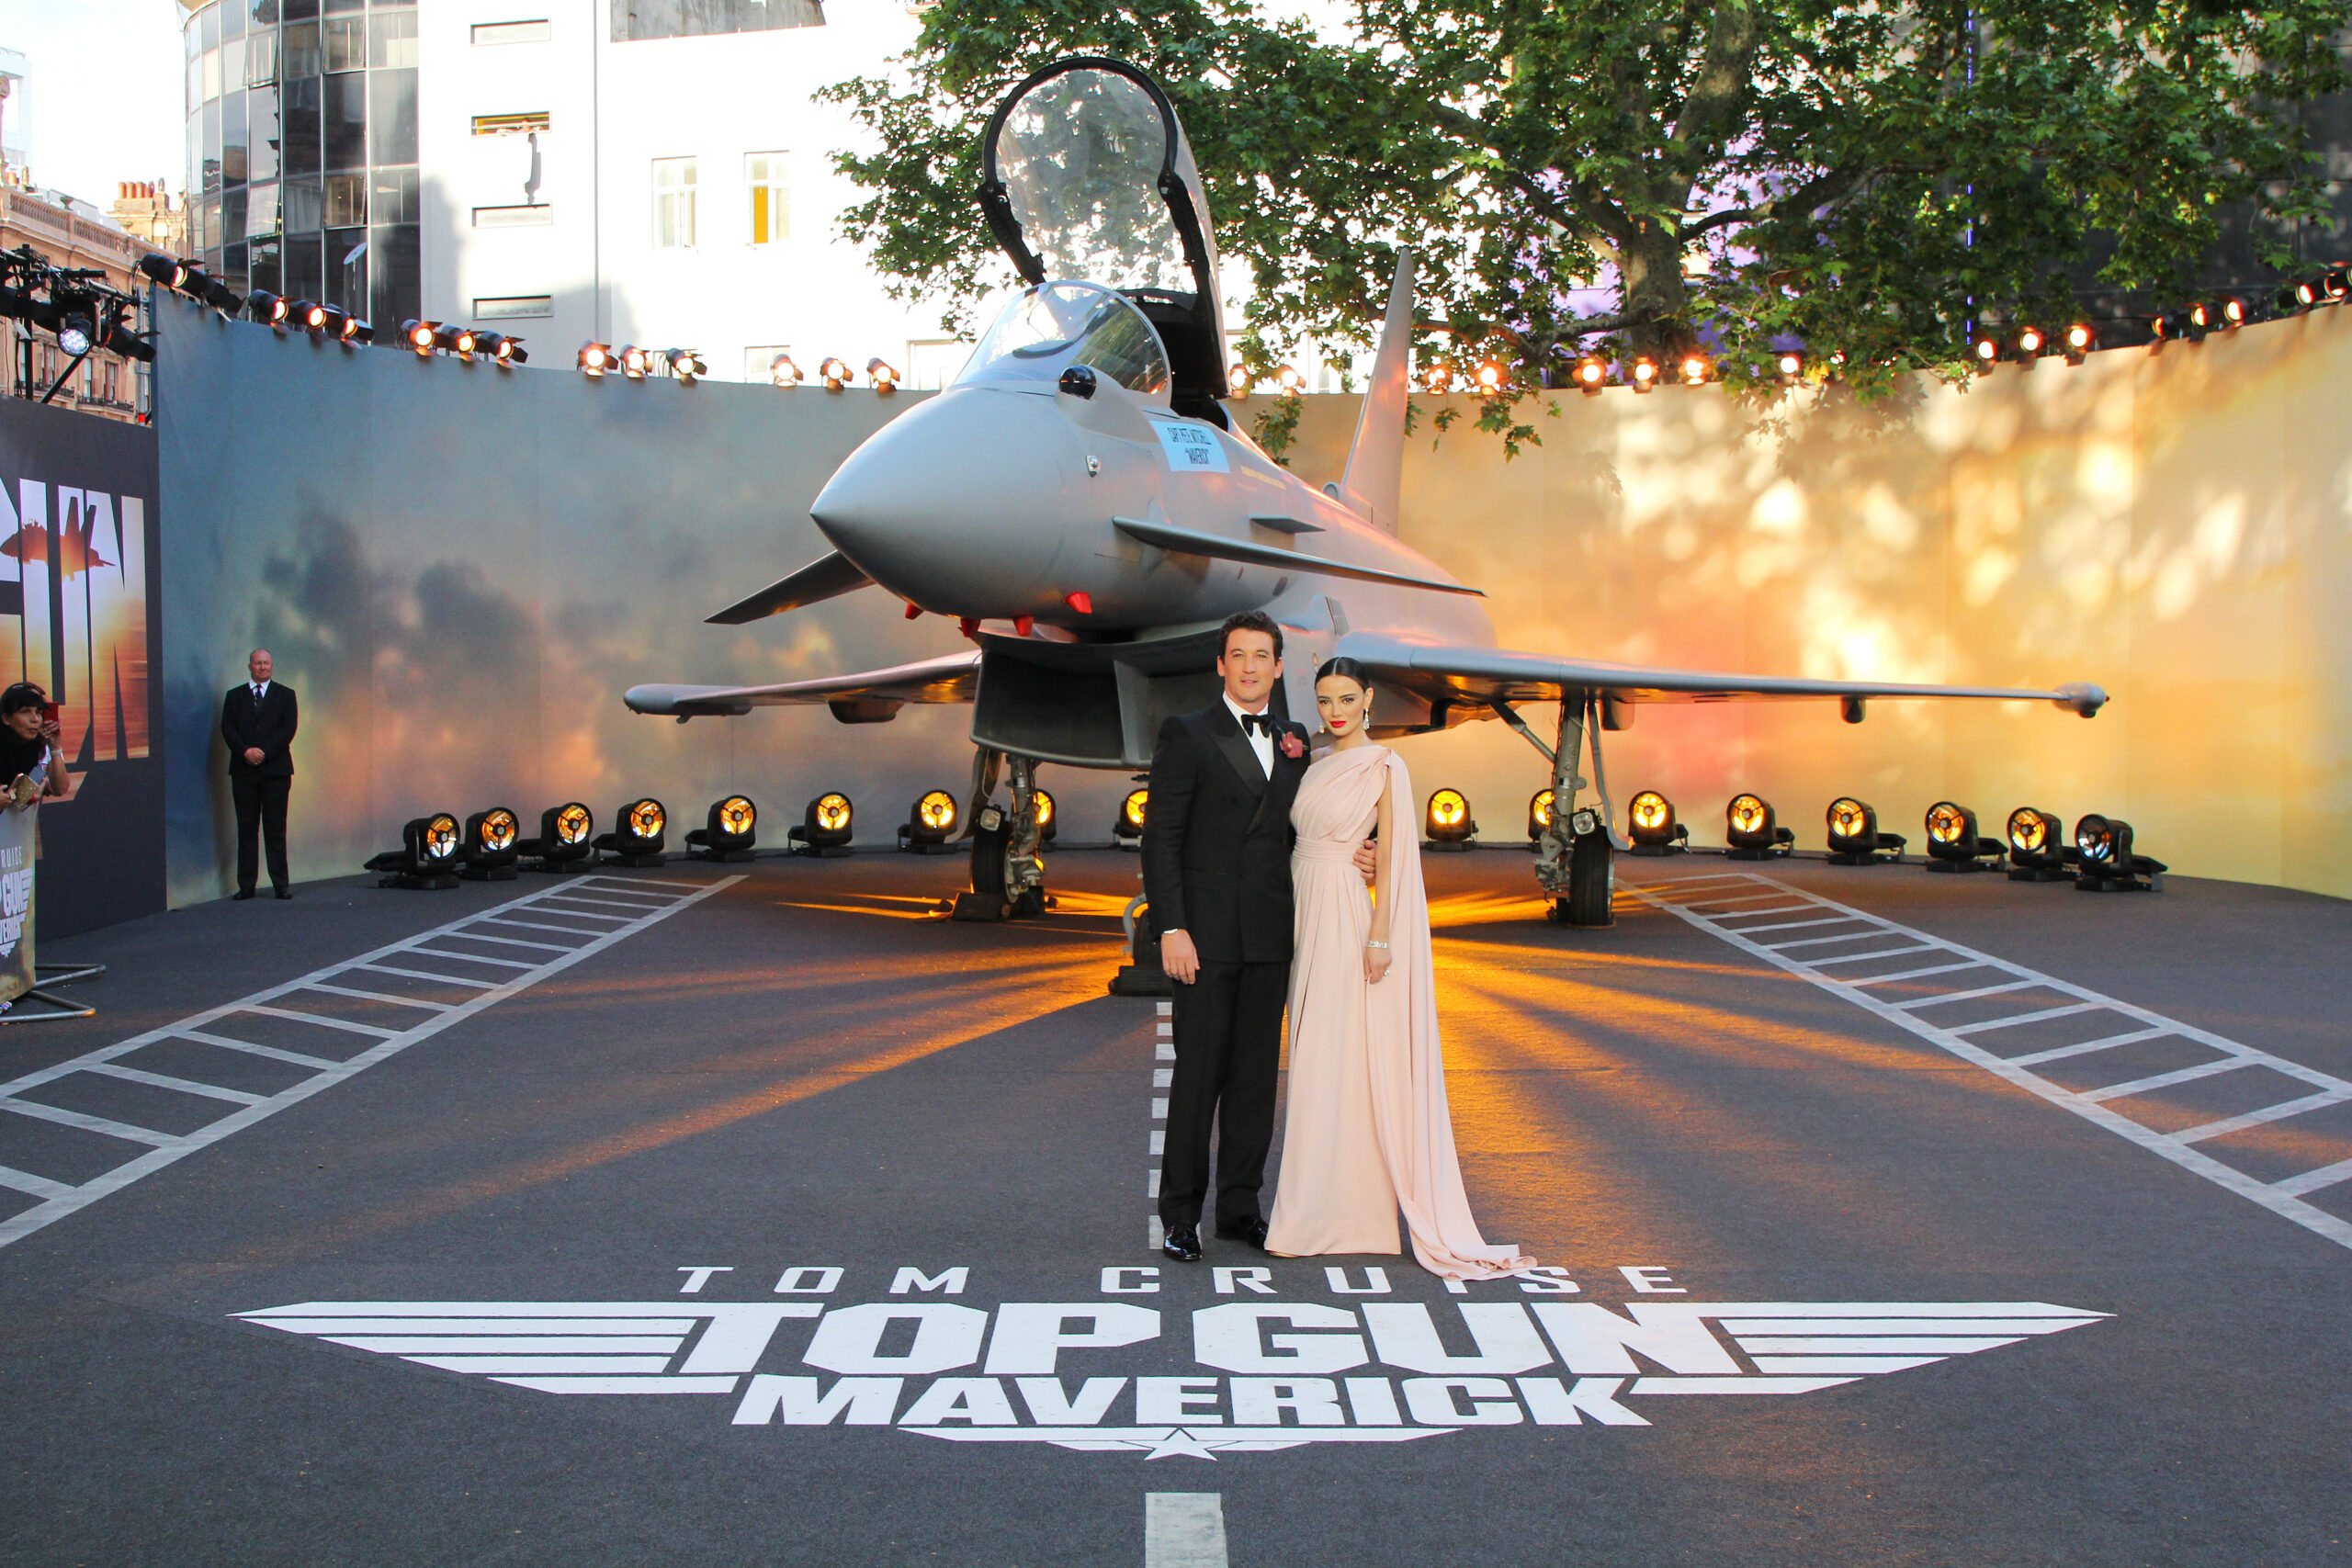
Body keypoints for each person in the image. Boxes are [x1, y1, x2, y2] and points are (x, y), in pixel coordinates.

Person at [1263, 656, 1532, 1280]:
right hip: (1299, 905)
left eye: (1346, 698)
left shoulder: (1385, 765)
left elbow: (1393, 857)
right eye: (1325, 699)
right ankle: (1329, 1213)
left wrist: (1380, 935)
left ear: (1369, 699)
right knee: (1313, 1059)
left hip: (1343, 914)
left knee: (1333, 1059)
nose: (1335, 710)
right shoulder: (1310, 764)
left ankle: (1325, 1219)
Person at [1143, 611, 1317, 1264]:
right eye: (1238, 654)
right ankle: (1180, 1216)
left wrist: (1359, 851)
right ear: (1220, 664)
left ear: (1278, 666)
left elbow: (1300, 830)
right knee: (1198, 1079)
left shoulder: (1295, 738)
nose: (1249, 666)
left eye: (1261, 655)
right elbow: (1161, 838)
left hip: (1269, 936)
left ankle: (1241, 1209)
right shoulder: (1187, 732)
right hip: (1206, 937)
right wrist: (1172, 926)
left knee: (1254, 1084)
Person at [220, 649, 298, 901]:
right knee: (246, 829)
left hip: (276, 772)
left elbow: (288, 729)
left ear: (271, 666)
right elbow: (228, 729)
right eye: (257, 663)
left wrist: (263, 752)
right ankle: (246, 886)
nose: (262, 667)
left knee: (275, 830)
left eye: (266, 663)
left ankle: (280, 885)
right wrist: (246, 752)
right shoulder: (234, 697)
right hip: (243, 772)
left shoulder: (286, 695)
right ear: (250, 666)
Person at [0, 682, 74, 806]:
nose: (35, 719)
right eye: (26, 711)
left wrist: (55, 747)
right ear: (6, 718)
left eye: (39, 712)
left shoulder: (37, 747)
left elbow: (60, 788)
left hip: (21, 818)